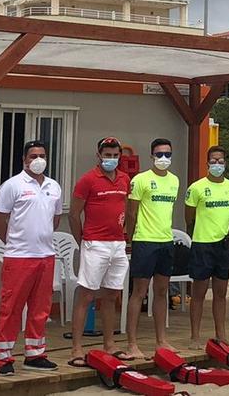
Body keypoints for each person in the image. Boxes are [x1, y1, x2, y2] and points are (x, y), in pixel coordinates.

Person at [0, 140, 62, 374]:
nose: (38, 159)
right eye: (33, 156)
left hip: (46, 256)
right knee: (11, 307)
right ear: (24, 160)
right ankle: (4, 357)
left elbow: (55, 218)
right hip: (19, 257)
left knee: (41, 308)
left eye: (42, 155)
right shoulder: (12, 185)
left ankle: (35, 353)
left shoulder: (54, 186)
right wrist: (13, 241)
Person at [68, 137, 131, 366]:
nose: (111, 159)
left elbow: (127, 209)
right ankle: (76, 348)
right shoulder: (87, 180)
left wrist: (126, 236)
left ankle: (109, 344)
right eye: (107, 155)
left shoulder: (125, 179)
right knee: (86, 295)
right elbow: (73, 214)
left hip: (117, 244)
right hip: (95, 243)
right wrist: (82, 240)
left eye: (115, 156)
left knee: (112, 294)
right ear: (99, 155)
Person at [124, 138, 181, 359]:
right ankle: (132, 343)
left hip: (166, 240)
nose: (163, 159)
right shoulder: (141, 180)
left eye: (167, 154)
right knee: (138, 292)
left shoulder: (174, 181)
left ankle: (161, 340)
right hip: (144, 240)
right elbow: (131, 213)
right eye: (159, 155)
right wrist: (131, 240)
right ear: (151, 156)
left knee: (161, 291)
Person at [184, 145, 229, 348]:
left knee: (221, 292)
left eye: (221, 161)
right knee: (198, 293)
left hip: (223, 244)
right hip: (202, 244)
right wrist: (197, 236)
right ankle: (195, 336)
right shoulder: (197, 187)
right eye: (214, 161)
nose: (217, 164)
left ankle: (221, 334)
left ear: (225, 163)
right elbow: (188, 217)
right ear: (207, 163)